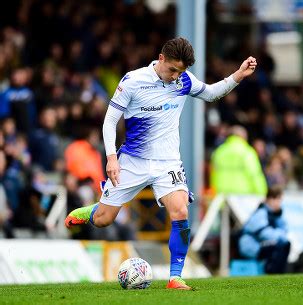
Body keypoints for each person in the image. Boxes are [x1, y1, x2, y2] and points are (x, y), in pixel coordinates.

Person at [64, 37, 258, 290]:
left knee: (180, 211)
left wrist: (238, 75)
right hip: (132, 161)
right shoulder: (133, 81)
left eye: (181, 72)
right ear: (161, 58)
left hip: (168, 163)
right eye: (173, 70)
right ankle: (90, 211)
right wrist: (111, 157)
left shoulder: (183, 81)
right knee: (104, 219)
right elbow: (110, 121)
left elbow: (211, 94)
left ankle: (175, 277)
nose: (176, 76)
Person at [238, 185, 290, 274]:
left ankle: (277, 274)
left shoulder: (274, 214)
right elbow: (264, 234)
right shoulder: (261, 213)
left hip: (260, 244)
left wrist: (278, 215)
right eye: (277, 199)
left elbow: (284, 229)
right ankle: (272, 274)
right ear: (269, 199)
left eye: (279, 200)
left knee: (285, 244)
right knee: (280, 246)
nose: (278, 203)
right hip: (250, 246)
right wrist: (280, 235)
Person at [210, 125, 267, 196]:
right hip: (243, 195)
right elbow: (254, 174)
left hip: (221, 194)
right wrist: (262, 192)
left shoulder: (219, 152)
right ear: (242, 136)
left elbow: (213, 173)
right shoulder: (247, 152)